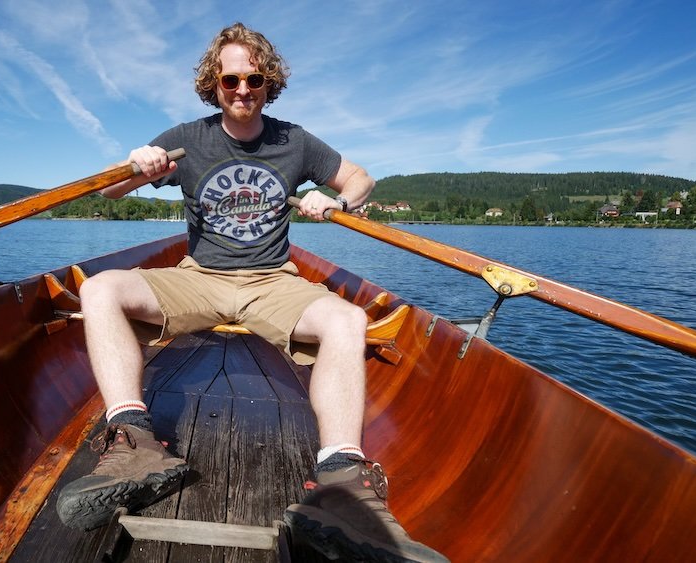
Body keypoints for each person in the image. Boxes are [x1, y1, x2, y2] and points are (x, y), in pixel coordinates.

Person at [56, 22, 448, 562]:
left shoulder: (294, 141)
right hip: (198, 277)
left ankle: (339, 487)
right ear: (214, 85)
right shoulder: (189, 138)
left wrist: (335, 202)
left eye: (254, 79)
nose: (243, 90)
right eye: (231, 80)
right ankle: (135, 443)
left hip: (272, 281)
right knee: (99, 290)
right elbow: (111, 185)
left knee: (347, 322)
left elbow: (360, 178)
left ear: (269, 83)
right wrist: (138, 164)